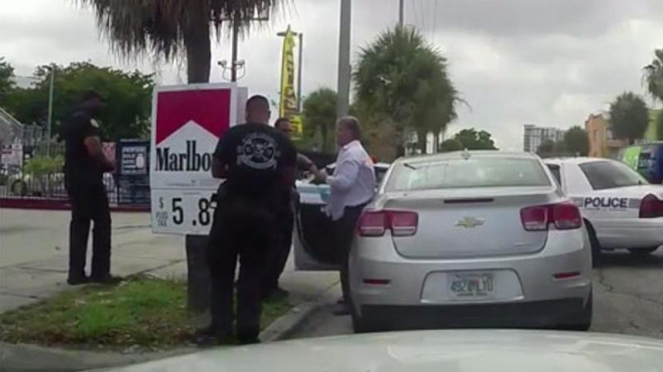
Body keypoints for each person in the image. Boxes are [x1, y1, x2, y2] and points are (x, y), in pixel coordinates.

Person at [205, 96, 297, 345]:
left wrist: (238, 173)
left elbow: (216, 170)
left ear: (247, 112)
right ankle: (248, 329)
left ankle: (221, 325)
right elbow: (289, 178)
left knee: (221, 271)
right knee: (253, 273)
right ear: (268, 114)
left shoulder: (232, 135)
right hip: (265, 215)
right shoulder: (283, 141)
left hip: (230, 212)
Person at [311, 116, 376, 315]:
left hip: (351, 210)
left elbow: (345, 182)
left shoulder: (352, 154)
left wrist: (323, 178)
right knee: (347, 256)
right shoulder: (355, 152)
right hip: (355, 207)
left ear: (350, 132)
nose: (336, 134)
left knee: (346, 257)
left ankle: (348, 299)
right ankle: (347, 295)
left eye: (340, 130)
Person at [61, 91, 116, 285]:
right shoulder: (88, 122)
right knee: (102, 223)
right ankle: (100, 272)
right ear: (89, 102)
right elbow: (92, 146)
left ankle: (75, 273)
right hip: (89, 180)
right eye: (98, 102)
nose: (101, 106)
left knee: (79, 224)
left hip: (73, 178)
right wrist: (108, 164)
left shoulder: (71, 120)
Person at [263, 118, 313, 299]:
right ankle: (266, 286)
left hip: (283, 204)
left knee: (282, 246)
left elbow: (300, 160)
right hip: (270, 205)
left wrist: (310, 166)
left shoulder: (288, 149)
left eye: (289, 131)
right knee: (270, 247)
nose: (286, 134)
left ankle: (271, 283)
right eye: (283, 130)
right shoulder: (271, 148)